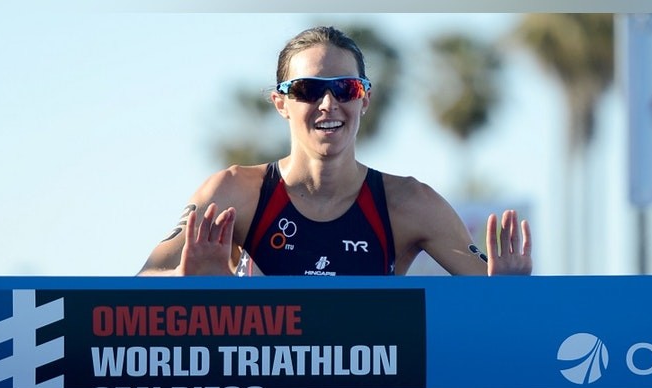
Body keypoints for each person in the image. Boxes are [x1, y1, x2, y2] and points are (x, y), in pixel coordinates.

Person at [138, 26, 532, 277]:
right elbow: (140, 283)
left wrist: (511, 290)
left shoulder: (409, 203)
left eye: (346, 88)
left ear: (365, 99)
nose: (329, 104)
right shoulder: (233, 193)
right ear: (281, 103)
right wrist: (190, 281)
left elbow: (499, 305)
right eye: (308, 90)